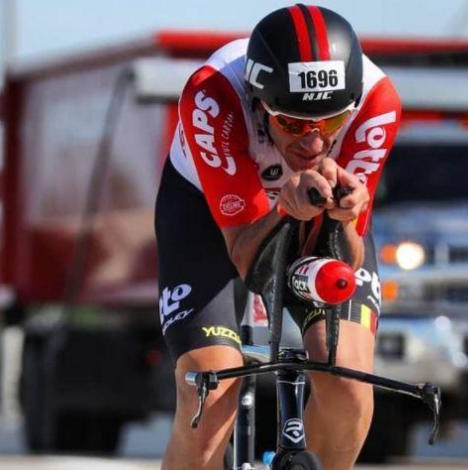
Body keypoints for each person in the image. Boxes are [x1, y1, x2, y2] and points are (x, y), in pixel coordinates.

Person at [155, 4, 401, 469]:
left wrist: (344, 220)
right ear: (259, 102)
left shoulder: (377, 102)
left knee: (348, 385)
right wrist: (285, 210)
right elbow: (250, 261)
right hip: (212, 216)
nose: (312, 143)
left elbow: (345, 262)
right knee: (210, 387)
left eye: (329, 124)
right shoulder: (213, 96)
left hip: (308, 213)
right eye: (291, 124)